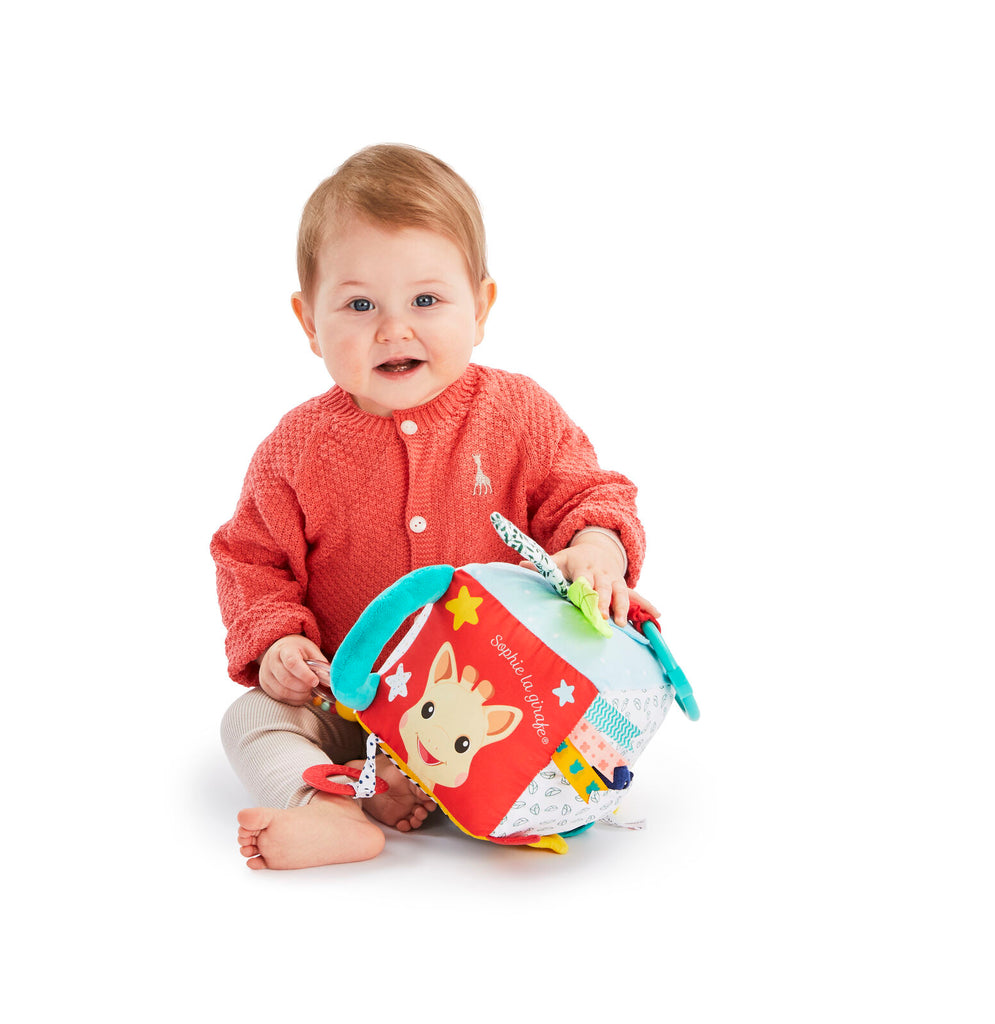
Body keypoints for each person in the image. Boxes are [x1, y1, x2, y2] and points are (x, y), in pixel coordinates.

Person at [212, 144, 651, 869]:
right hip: (353, 701)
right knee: (251, 719)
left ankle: (452, 787)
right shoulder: (297, 449)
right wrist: (276, 646)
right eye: (358, 305)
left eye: (426, 300)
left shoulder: (517, 413)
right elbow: (251, 557)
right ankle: (328, 803)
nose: (394, 329)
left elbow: (587, 491)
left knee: (575, 720)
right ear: (307, 320)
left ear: (479, 307)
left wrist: (596, 546)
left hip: (496, 700)